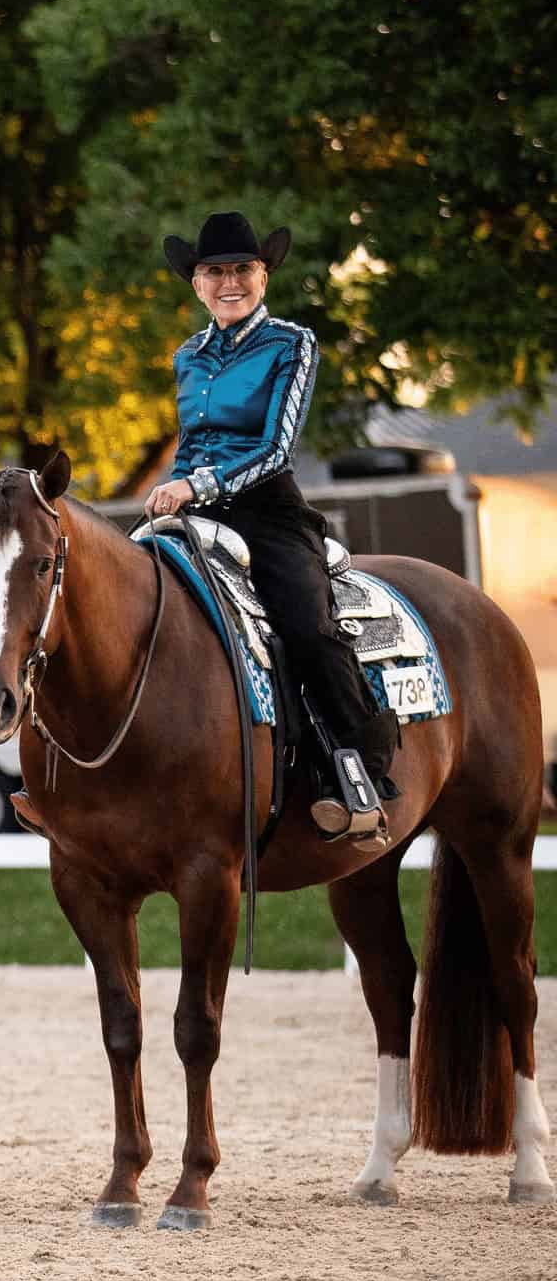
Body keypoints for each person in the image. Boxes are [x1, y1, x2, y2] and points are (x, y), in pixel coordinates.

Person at [150, 211, 397, 848]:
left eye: (242, 269)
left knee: (307, 628)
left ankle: (362, 777)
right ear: (196, 284)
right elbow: (191, 443)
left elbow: (275, 449)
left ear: (264, 276)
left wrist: (198, 486)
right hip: (194, 512)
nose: (229, 282)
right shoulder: (187, 356)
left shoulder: (292, 344)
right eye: (215, 272)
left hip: (269, 512)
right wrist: (172, 492)